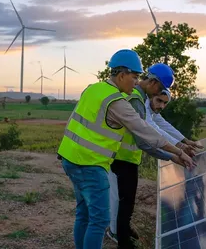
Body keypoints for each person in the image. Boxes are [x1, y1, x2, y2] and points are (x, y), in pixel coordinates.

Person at [57, 49, 196, 249]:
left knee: (84, 214)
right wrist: (178, 152)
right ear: (122, 75)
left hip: (69, 158)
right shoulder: (117, 102)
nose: (137, 81)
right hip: (89, 163)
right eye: (134, 76)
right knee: (100, 220)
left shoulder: (92, 89)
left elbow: (74, 121)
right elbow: (146, 132)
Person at [107, 63, 198, 248]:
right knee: (123, 200)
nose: (160, 95)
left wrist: (183, 141)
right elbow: (148, 133)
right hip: (120, 157)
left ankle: (122, 229)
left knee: (127, 199)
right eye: (160, 90)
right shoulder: (136, 100)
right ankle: (121, 239)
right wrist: (177, 151)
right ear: (153, 82)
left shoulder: (143, 100)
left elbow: (159, 124)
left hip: (128, 157)